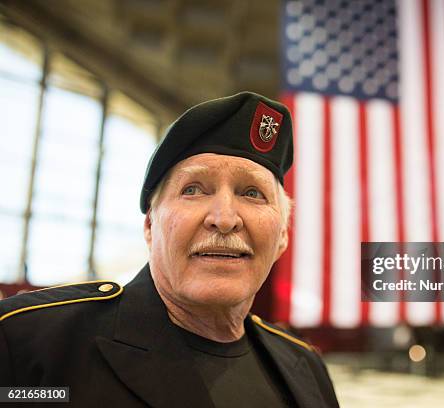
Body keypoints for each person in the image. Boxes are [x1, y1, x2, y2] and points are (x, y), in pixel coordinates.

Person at [0, 92, 340, 407]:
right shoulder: (27, 343)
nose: (224, 219)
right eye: (193, 189)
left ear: (282, 235)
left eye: (252, 193)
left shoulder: (305, 368)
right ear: (150, 226)